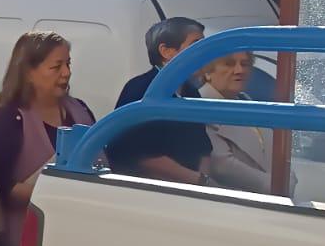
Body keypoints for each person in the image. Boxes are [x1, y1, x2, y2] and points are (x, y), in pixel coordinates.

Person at [0, 31, 95, 246]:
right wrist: (60, 196)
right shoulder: (7, 118)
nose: (67, 73)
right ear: (28, 72)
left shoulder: (79, 109)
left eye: (68, 63)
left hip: (80, 238)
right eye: (56, 66)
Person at [108, 17, 212, 183]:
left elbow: (203, 149)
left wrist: (203, 181)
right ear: (166, 51)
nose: (203, 53)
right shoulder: (140, 89)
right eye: (195, 45)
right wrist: (198, 181)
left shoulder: (191, 92)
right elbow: (142, 155)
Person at [199, 51, 269, 193]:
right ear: (207, 72)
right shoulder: (198, 106)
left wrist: (288, 178)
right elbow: (222, 166)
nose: (240, 70)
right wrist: (272, 185)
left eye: (245, 64)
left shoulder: (247, 102)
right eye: (229, 64)